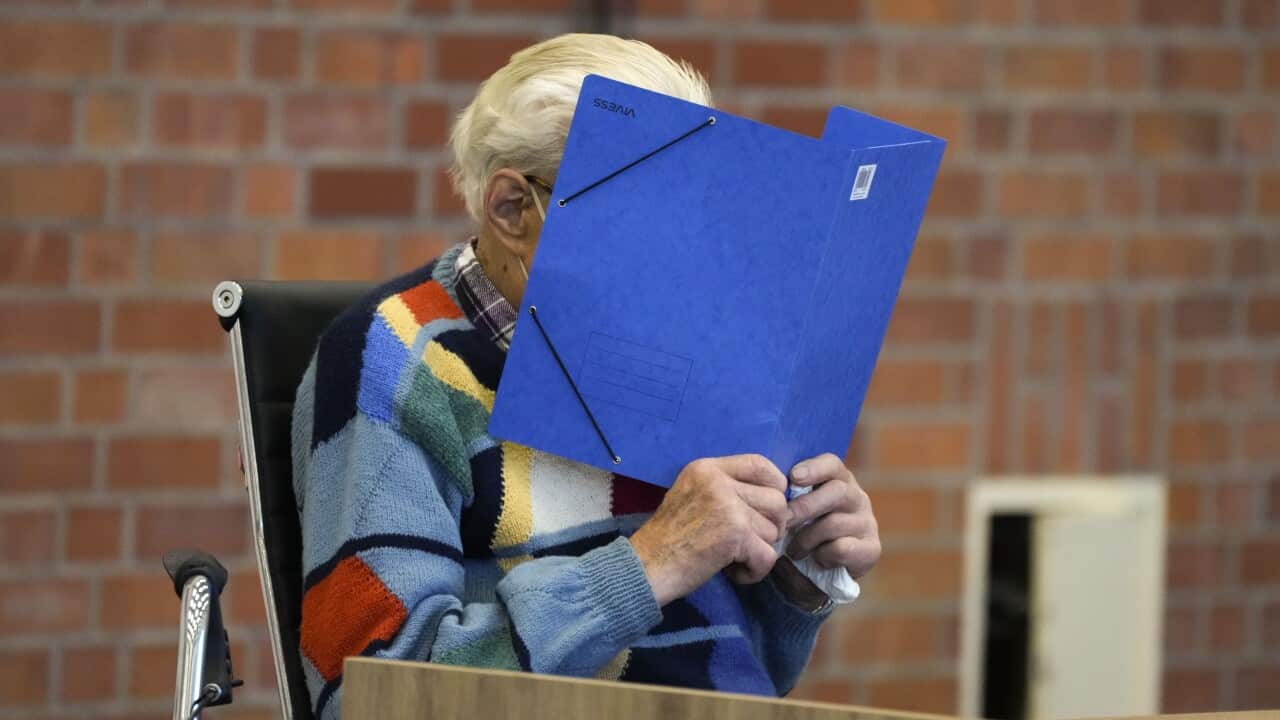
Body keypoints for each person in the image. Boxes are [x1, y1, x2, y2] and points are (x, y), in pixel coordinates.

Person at [291, 33, 882, 719]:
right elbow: (369, 693)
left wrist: (798, 574)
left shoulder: (681, 345)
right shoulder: (394, 358)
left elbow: (737, 671)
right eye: (638, 215)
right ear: (512, 209)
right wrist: (647, 567)